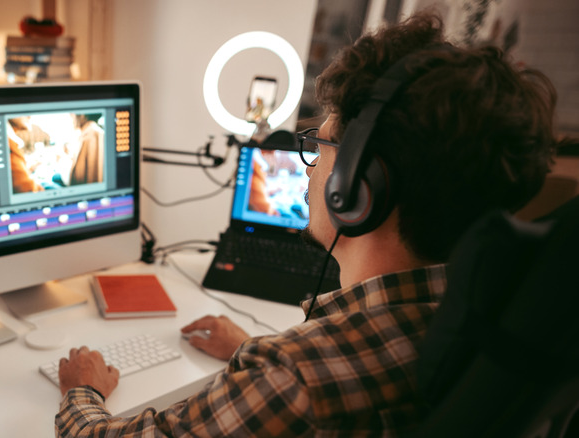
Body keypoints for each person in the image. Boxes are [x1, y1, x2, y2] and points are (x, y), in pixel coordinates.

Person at [54, 12, 560, 436]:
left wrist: (84, 389)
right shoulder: (489, 314)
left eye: (320, 146)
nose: (309, 165)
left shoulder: (293, 379)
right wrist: (250, 348)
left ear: (357, 188)